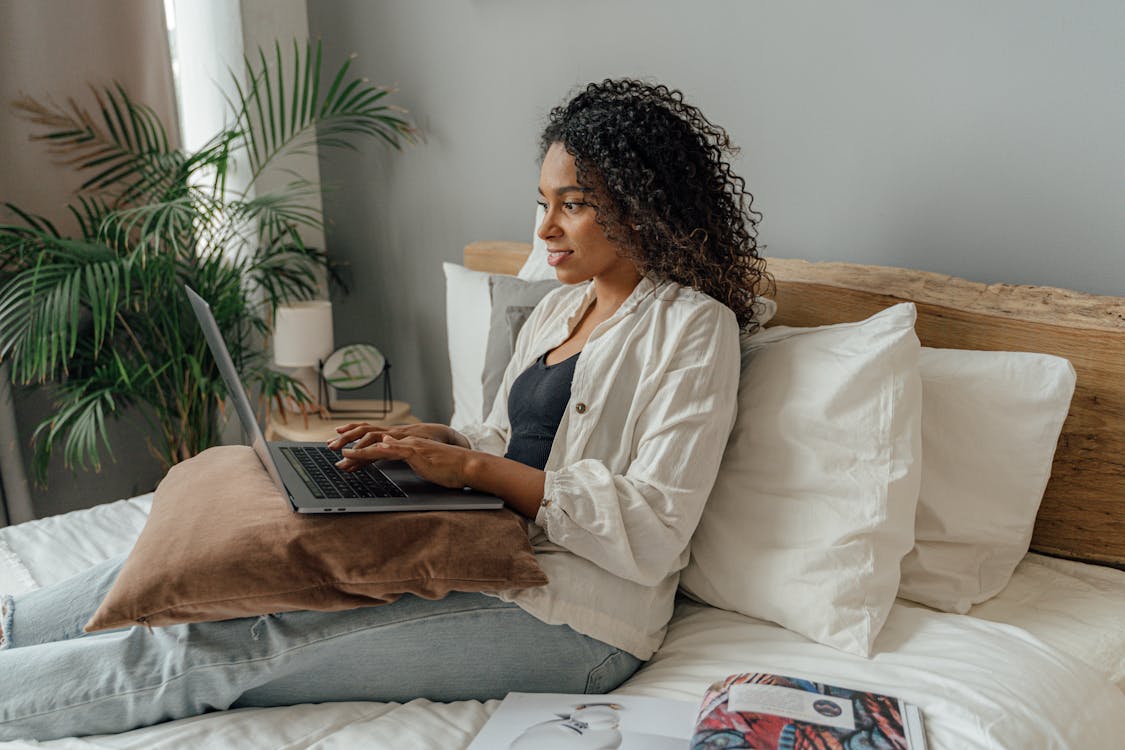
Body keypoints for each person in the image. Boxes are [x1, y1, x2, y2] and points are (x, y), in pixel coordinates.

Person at [0, 78, 768, 741]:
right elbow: (515, 439)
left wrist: (469, 465)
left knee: (227, 641)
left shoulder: (693, 326)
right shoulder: (554, 313)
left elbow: (656, 525)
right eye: (542, 203)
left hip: (574, 621)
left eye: (573, 205)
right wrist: (429, 442)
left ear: (641, 206)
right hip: (478, 546)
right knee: (174, 561)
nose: (543, 230)